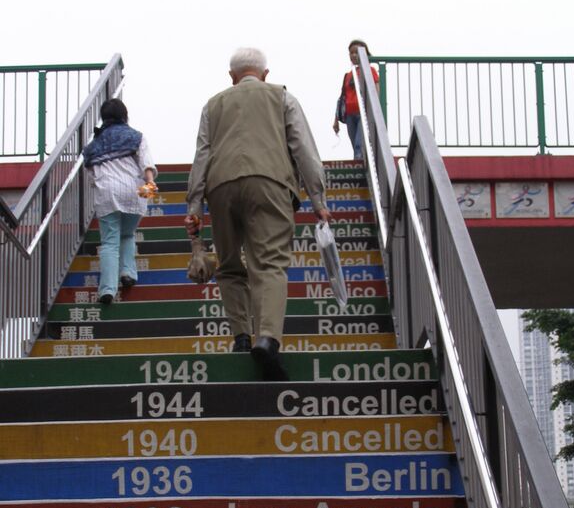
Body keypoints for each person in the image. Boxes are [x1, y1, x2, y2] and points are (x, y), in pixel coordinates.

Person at [185, 47, 331, 380]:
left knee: (230, 266)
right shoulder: (281, 97)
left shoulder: (213, 105)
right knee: (269, 263)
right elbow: (303, 148)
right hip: (270, 183)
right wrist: (318, 199)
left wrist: (194, 207)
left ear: (231, 77)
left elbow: (202, 155)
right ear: (265, 74)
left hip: (220, 188)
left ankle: (240, 337)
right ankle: (267, 339)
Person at [83, 99, 157, 304]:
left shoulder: (92, 147)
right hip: (135, 191)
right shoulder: (136, 136)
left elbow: (92, 177)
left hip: (107, 193)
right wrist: (150, 182)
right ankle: (128, 273)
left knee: (110, 242)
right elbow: (147, 164)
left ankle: (107, 289)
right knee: (127, 233)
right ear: (125, 116)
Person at [332, 39, 379, 160]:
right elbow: (342, 97)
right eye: (351, 53)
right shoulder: (348, 75)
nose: (353, 55)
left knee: (359, 144)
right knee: (355, 143)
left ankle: (359, 162)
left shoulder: (370, 71)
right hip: (349, 114)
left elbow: (376, 91)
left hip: (363, 112)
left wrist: (375, 109)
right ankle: (360, 161)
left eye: (356, 52)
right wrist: (336, 120)